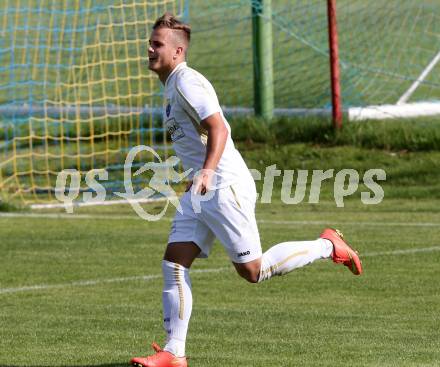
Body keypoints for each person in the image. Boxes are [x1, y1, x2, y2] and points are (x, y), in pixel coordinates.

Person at [130, 13, 362, 367]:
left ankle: (328, 244)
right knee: (174, 263)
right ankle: (174, 352)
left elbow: (219, 128)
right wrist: (196, 175)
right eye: (150, 42)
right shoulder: (172, 85)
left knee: (254, 271)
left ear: (177, 52)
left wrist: (207, 171)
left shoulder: (188, 82)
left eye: (157, 44)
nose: (149, 48)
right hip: (203, 189)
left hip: (224, 186)